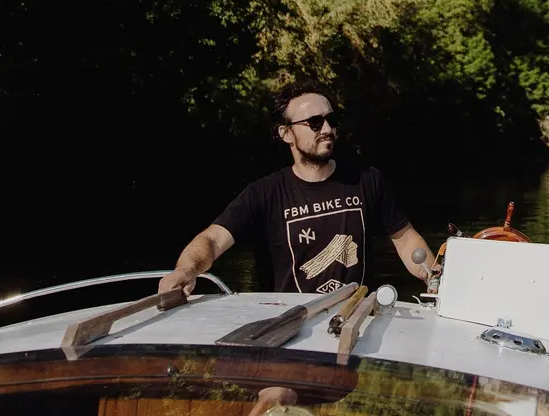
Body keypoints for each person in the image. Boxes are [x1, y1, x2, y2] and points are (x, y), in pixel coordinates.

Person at [160, 82, 436, 296]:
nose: (327, 128)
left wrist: (434, 277)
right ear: (286, 133)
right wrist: (187, 269)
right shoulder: (264, 194)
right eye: (314, 123)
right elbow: (212, 239)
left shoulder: (367, 180)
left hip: (357, 319)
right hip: (291, 330)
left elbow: (405, 239)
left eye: (331, 119)